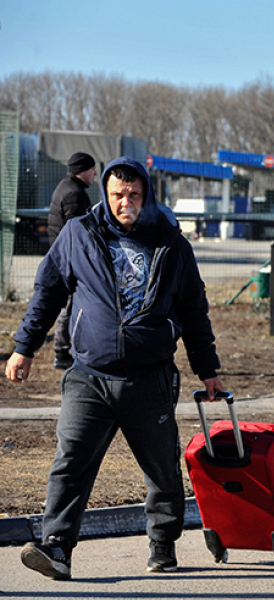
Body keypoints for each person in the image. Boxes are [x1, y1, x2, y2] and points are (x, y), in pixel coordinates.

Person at [6, 158, 225, 579]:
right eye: (118, 195)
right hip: (90, 376)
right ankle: (57, 548)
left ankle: (162, 543)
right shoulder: (79, 234)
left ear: (147, 196)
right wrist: (24, 347)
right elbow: (48, 292)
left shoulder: (172, 244)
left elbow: (194, 311)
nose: (126, 203)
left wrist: (207, 368)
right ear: (105, 196)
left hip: (150, 377)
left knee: (161, 467)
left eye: (134, 195)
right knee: (70, 461)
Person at [47, 152, 96, 370]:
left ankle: (63, 349)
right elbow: (79, 233)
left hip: (64, 256)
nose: (95, 174)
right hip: (70, 258)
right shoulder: (74, 195)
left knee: (69, 303)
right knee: (70, 304)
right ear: (84, 171)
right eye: (93, 170)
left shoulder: (66, 188)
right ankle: (61, 351)